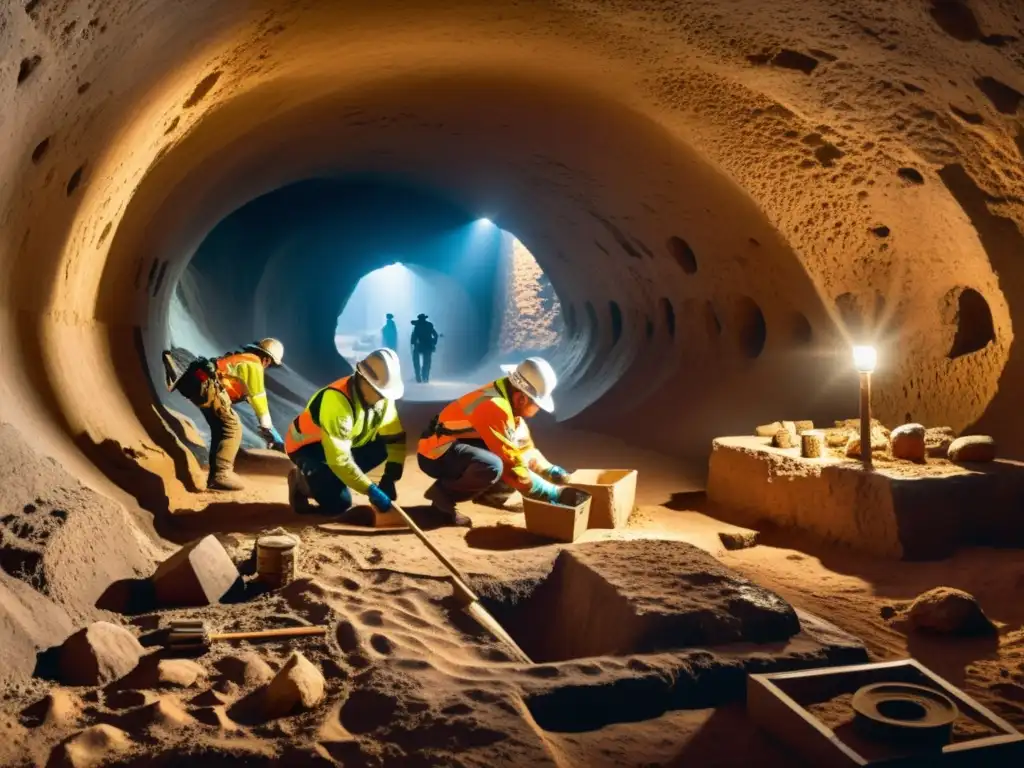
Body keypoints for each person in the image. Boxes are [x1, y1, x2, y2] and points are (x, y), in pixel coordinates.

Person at [417, 357, 574, 527]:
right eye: (537, 404)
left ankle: (490, 495)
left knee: (509, 455)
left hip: (453, 444)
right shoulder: (494, 406)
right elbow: (513, 468)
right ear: (521, 399)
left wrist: (550, 471)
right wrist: (550, 492)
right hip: (435, 453)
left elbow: (523, 447)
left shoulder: (507, 395)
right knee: (494, 465)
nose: (538, 409)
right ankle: (443, 499)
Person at [285, 348, 406, 522]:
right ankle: (302, 481)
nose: (383, 399)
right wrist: (370, 489)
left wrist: (391, 478)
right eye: (380, 393)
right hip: (309, 448)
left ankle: (331, 481)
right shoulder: (336, 401)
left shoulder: (383, 399)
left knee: (382, 447)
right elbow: (339, 459)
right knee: (339, 504)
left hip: (345, 445)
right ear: (363, 380)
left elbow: (395, 440)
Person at [169, 338, 285, 491]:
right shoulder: (254, 365)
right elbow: (259, 400)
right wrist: (271, 432)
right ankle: (221, 475)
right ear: (266, 359)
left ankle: (215, 476)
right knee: (232, 427)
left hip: (201, 385)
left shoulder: (244, 360)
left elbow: (249, 396)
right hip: (209, 387)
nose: (268, 366)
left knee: (221, 429)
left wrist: (269, 430)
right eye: (270, 364)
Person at [410, 313, 438, 383]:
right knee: (427, 363)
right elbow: (435, 335)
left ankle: (419, 377)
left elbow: (413, 337)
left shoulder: (417, 326)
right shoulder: (429, 325)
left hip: (420, 346)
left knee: (417, 362)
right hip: (428, 346)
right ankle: (425, 377)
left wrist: (413, 342)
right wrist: (434, 342)